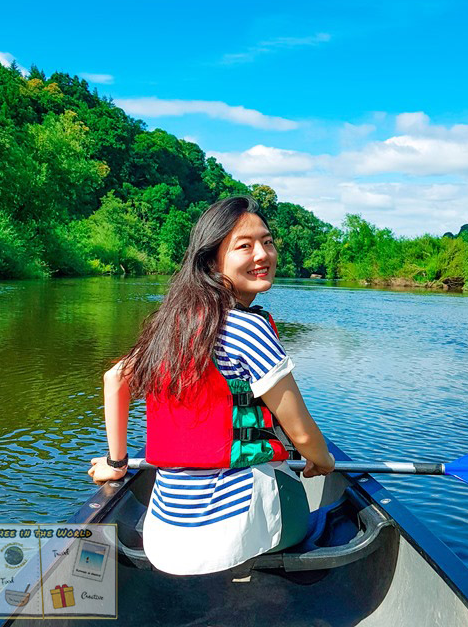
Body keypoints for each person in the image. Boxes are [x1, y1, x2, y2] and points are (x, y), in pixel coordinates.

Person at [88, 195, 335, 575]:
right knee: (306, 496)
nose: (262, 254)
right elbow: (301, 434)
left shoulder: (172, 324)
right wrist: (324, 461)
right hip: (229, 537)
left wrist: (117, 463)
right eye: (244, 245)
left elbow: (115, 378)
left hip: (164, 542)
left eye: (267, 242)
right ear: (211, 260)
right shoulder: (249, 328)